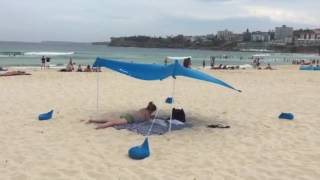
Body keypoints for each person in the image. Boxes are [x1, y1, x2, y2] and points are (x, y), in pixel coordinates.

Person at [87, 102, 157, 129]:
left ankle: (93, 120)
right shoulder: (147, 113)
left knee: (110, 120)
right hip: (130, 118)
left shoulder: (143, 109)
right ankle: (98, 127)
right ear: (151, 111)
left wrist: (151, 116)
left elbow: (142, 115)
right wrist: (151, 118)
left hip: (129, 115)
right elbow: (147, 120)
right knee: (113, 123)